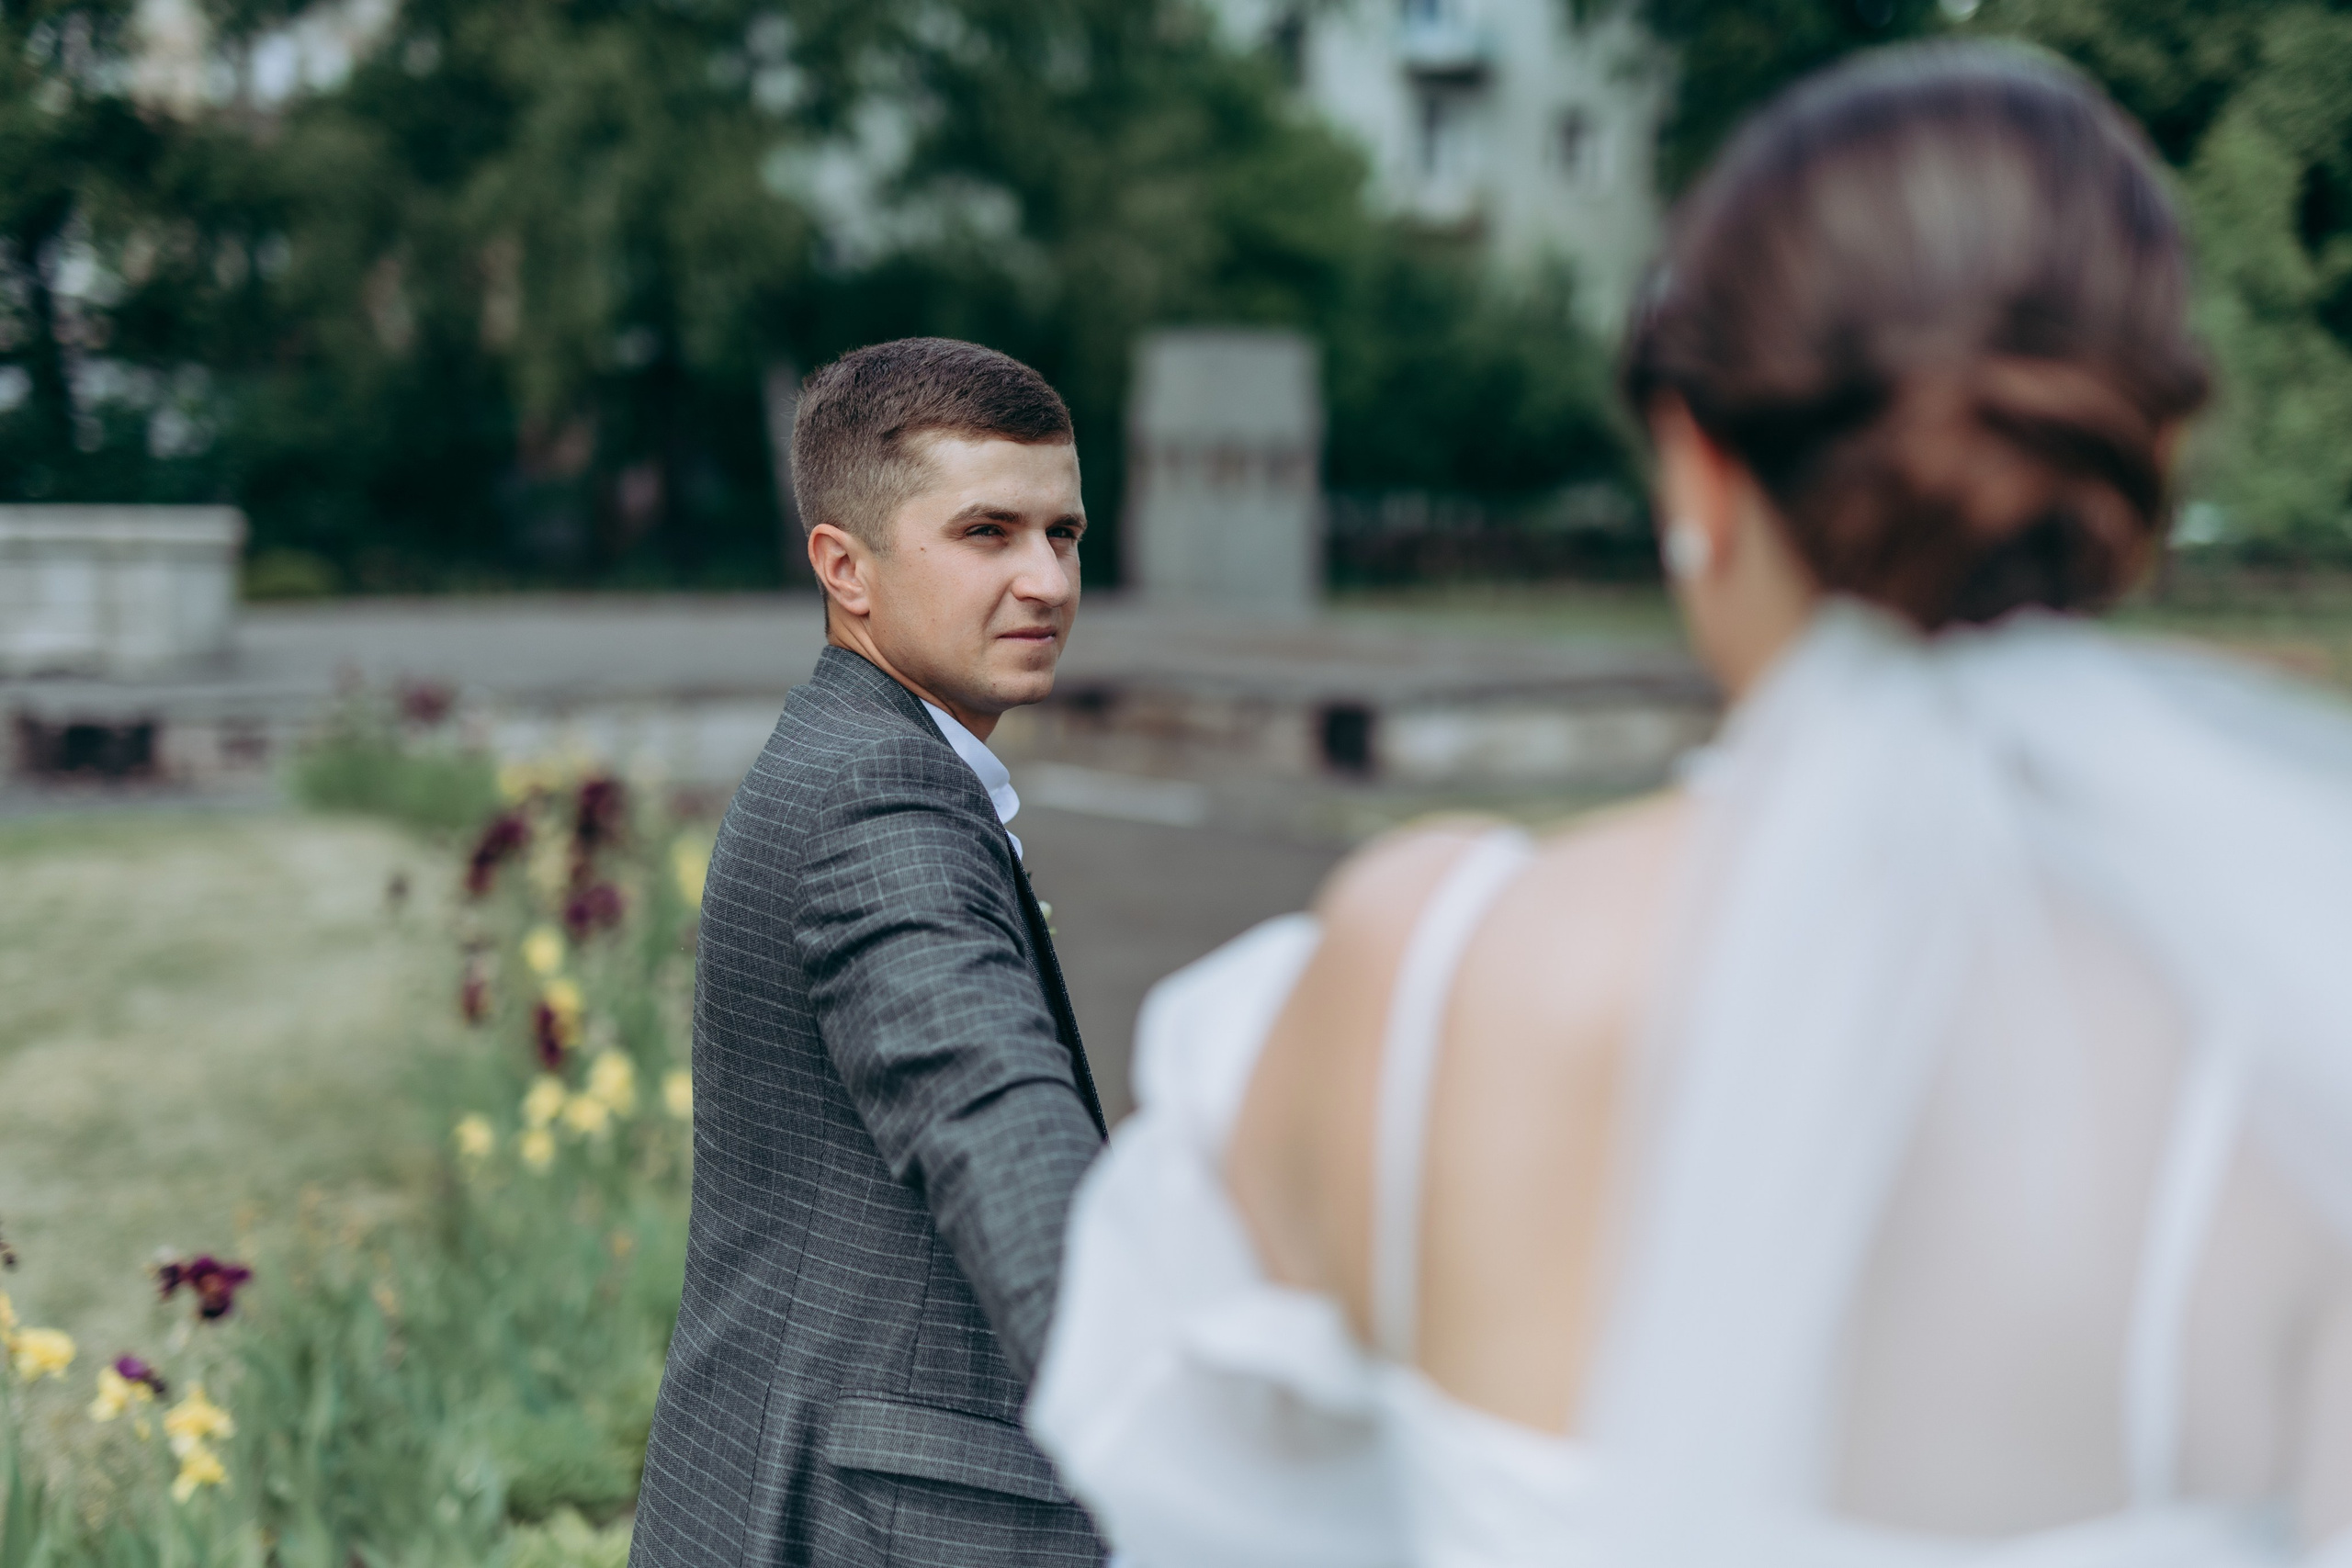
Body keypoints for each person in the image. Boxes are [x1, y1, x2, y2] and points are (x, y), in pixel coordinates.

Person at [1030, 44, 2352, 1568]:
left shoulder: (1424, 980)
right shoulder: (2292, 1054)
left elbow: (1177, 1483)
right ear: (2144, 468)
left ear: (1695, 472)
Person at [634, 338, 1107, 1568]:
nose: (1047, 581)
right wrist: (1191, 1433)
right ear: (844, 566)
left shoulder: (852, 753)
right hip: (871, 1529)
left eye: (1063, 534)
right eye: (988, 533)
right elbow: (996, 1125)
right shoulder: (879, 804)